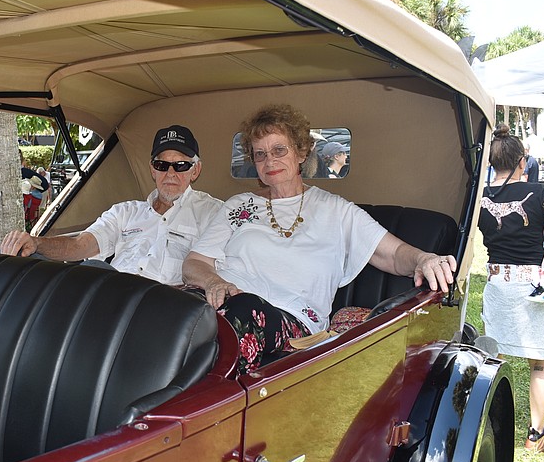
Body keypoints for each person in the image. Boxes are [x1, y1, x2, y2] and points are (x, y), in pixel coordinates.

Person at [181, 104, 455, 374]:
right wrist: (214, 281)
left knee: (242, 311)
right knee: (172, 307)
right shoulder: (238, 205)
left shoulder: (336, 210)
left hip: (289, 320)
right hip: (220, 301)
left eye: (279, 150)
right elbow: (194, 263)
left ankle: (198, 409)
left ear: (301, 152)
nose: (270, 161)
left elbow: (393, 254)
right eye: (260, 154)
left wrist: (423, 258)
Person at [0, 125, 223, 285]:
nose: (171, 173)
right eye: (162, 164)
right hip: (110, 297)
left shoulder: (213, 213)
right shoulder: (125, 212)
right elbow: (80, 245)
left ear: (196, 170)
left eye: (181, 165)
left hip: (161, 308)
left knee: (91, 274)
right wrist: (36, 243)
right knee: (35, 265)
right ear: (152, 169)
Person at [477, 125, 544, 452]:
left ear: (493, 161)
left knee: (491, 359)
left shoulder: (481, 198)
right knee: (542, 364)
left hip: (498, 284)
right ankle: (536, 436)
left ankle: (482, 428)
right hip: (539, 287)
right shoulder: (539, 193)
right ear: (523, 161)